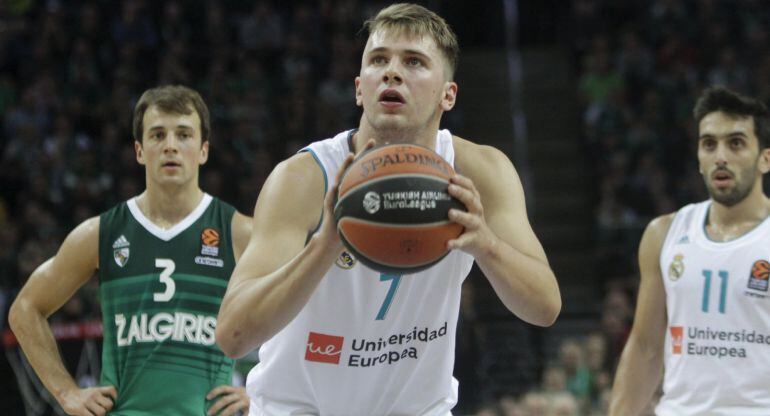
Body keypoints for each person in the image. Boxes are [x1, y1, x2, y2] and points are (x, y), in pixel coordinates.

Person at [216, 4, 561, 415]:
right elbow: (234, 335)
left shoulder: (480, 172)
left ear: (448, 95)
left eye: (413, 62)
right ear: (360, 88)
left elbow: (544, 308)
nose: (392, 72)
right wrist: (325, 245)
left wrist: (488, 245)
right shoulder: (304, 178)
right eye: (379, 60)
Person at [9, 85, 251, 416]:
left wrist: (261, 393)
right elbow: (24, 309)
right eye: (157, 135)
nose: (170, 146)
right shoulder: (101, 233)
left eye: (183, 135)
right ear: (139, 150)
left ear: (203, 149)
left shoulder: (238, 232)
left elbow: (304, 301)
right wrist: (66, 393)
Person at [609, 86, 770, 415]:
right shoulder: (664, 233)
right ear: (699, 156)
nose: (720, 156)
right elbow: (644, 348)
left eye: (736, 142)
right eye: (709, 144)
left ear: (765, 158)